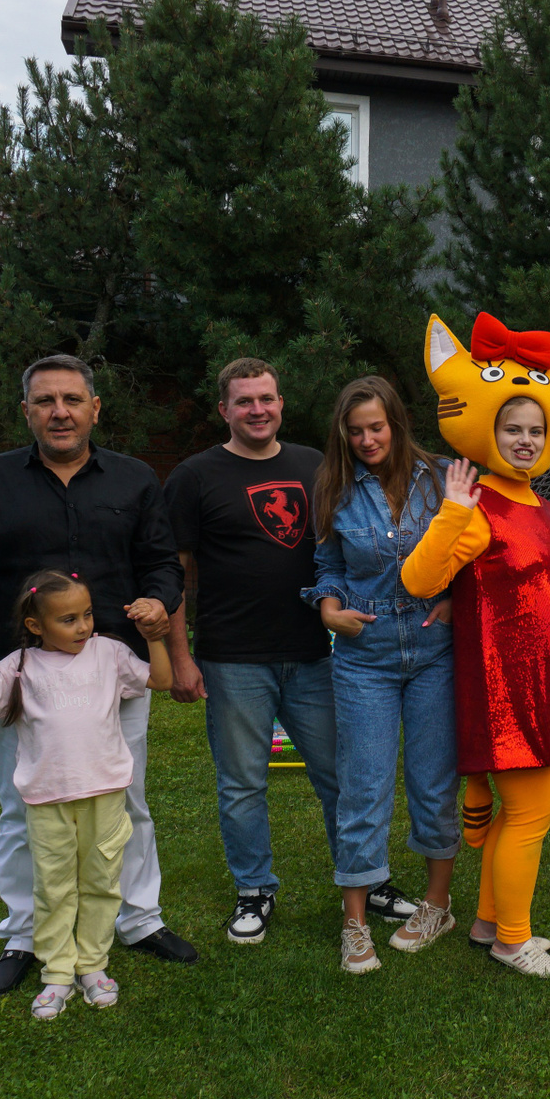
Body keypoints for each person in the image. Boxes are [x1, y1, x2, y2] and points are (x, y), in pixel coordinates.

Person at [0, 354, 196, 998]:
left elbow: (163, 563)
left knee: (127, 800)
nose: (60, 412)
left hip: (113, 673)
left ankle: (138, 919)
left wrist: (158, 601)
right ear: (26, 412)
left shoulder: (133, 479)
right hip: (27, 679)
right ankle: (25, 932)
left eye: (72, 400)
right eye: (45, 401)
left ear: (95, 409)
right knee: (23, 805)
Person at [400, 311, 550, 977]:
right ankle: (514, 938)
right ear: (491, 433)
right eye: (513, 429)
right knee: (532, 815)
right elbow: (419, 579)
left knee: (522, 814)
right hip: (509, 691)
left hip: (547, 682)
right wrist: (453, 510)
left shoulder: (541, 504)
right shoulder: (479, 506)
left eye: (535, 430)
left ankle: (488, 923)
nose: (525, 440)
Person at [162, 358, 352, 950]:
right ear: (224, 409)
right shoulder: (194, 476)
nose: (257, 410)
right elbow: (173, 572)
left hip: (315, 653)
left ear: (281, 402)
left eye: (266, 398)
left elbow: (345, 549)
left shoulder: (314, 465)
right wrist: (181, 658)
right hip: (233, 658)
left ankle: (362, 879)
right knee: (242, 784)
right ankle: (254, 889)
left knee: (341, 777)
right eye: (244, 401)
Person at [0, 571, 172, 1018]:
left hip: (105, 796)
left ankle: (93, 966)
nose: (83, 626)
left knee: (102, 883)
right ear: (35, 625)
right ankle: (58, 973)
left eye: (87, 614)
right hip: (47, 801)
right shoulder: (18, 667)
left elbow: (160, 680)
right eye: (68, 619)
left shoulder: (110, 653)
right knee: (53, 888)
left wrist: (153, 637)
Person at [307, 376, 460, 972]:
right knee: (363, 787)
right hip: (364, 655)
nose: (367, 439)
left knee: (433, 783)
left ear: (396, 422)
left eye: (376, 427)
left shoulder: (443, 477)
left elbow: (473, 548)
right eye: (355, 431)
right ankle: (355, 923)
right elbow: (327, 564)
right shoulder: (334, 486)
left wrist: (457, 598)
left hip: (434, 652)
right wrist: (328, 608)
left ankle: (437, 905)